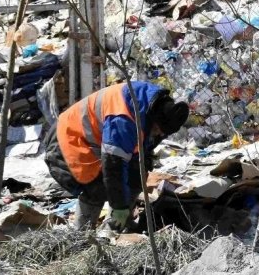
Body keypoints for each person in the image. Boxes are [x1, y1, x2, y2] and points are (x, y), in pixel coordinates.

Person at [45, 81, 190, 232]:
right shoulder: (123, 119)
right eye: (158, 130)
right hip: (68, 139)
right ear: (155, 120)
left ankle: (116, 228)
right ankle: (82, 235)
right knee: (96, 187)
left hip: (94, 141)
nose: (159, 135)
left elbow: (138, 157)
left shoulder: (154, 106)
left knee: (138, 173)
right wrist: (119, 206)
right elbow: (114, 167)